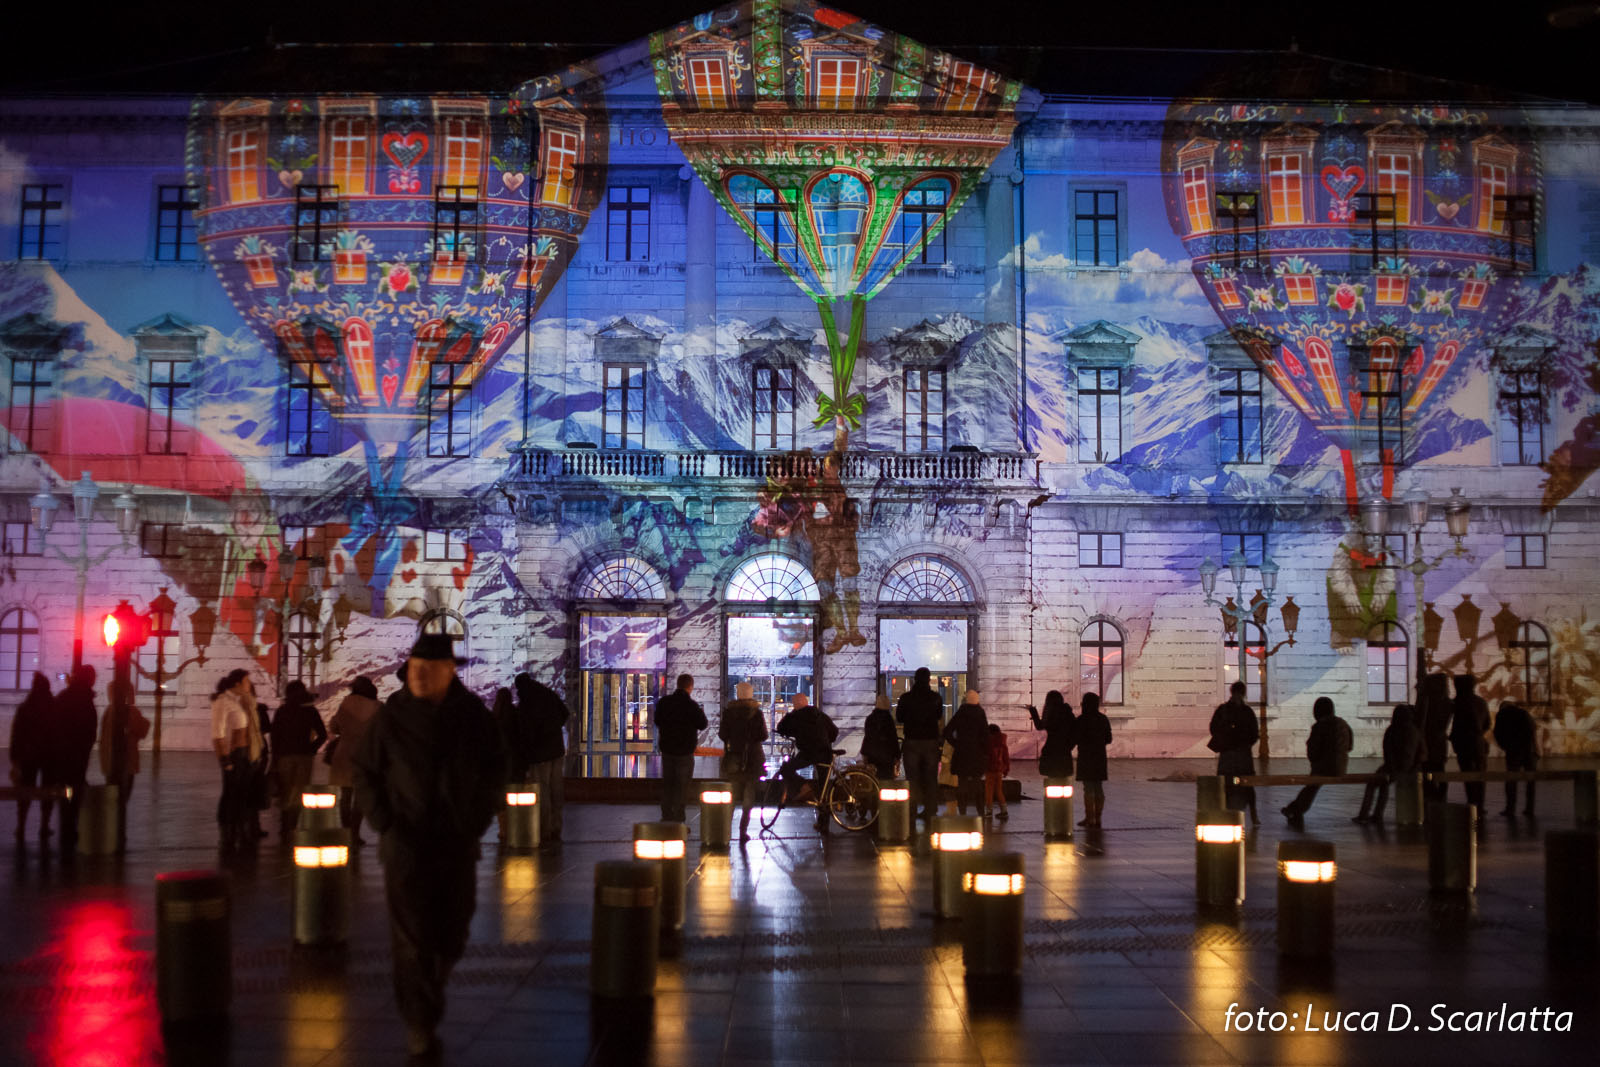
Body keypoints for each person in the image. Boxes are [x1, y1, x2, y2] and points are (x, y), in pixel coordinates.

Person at [352, 633, 506, 1060]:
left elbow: (496, 768)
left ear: (448, 671)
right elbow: (365, 771)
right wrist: (384, 822)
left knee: (453, 931)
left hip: (456, 844)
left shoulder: (472, 715)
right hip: (405, 845)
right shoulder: (392, 716)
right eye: (412, 666)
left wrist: (477, 818)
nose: (415, 675)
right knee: (412, 938)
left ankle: (429, 987)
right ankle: (419, 1021)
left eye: (426, 668)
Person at [49, 665, 99, 855]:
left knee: (66, 791)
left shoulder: (63, 698)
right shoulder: (86, 701)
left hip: (62, 756)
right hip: (77, 757)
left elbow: (53, 725)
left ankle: (66, 827)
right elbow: (89, 732)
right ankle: (71, 828)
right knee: (74, 791)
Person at [515, 672, 570, 843]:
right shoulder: (548, 694)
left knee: (543, 789)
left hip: (540, 753)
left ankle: (544, 829)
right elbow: (565, 713)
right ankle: (556, 826)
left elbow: (526, 731)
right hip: (556, 749)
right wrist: (554, 729)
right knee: (556, 788)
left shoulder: (527, 701)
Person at [270, 680, 328, 838]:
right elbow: (322, 735)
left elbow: (275, 737)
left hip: (284, 756)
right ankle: (293, 825)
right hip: (304, 757)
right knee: (299, 791)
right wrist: (312, 749)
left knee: (285, 790)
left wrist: (275, 757)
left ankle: (284, 825)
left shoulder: (282, 711)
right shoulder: (310, 711)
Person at [210, 670, 259, 853]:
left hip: (243, 754)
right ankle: (227, 835)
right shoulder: (222, 702)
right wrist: (225, 760)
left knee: (240, 794)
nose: (249, 685)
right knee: (230, 794)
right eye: (246, 681)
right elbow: (218, 733)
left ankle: (239, 832)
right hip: (234, 755)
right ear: (237, 683)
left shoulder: (235, 701)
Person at [1282, 697, 1353, 823]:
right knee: (1312, 786)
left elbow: (1313, 751)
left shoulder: (1320, 726)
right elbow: (1350, 746)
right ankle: (1294, 808)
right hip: (1341, 767)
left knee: (1311, 786)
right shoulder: (1343, 724)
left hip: (1324, 767)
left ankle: (1295, 809)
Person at [98, 677, 149, 850]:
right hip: (127, 762)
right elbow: (142, 729)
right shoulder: (130, 711)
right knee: (122, 798)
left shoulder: (109, 711)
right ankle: (117, 831)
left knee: (113, 796)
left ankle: (110, 829)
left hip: (110, 762)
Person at [328, 676, 380, 845]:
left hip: (344, 753)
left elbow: (334, 727)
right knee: (360, 797)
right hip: (366, 755)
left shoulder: (345, 704)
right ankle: (355, 834)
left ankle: (345, 831)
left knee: (345, 795)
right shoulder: (378, 707)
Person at [776, 693, 838, 833]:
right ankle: (823, 824)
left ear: (795, 705)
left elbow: (781, 728)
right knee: (824, 790)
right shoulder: (819, 714)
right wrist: (825, 740)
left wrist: (791, 714)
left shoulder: (796, 716)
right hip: (825, 753)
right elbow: (834, 731)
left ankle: (804, 786)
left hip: (809, 753)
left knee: (786, 769)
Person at [1354, 703, 1423, 824]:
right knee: (1383, 784)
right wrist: (1414, 767)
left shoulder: (1392, 730)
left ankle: (1366, 814)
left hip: (1394, 767)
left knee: (1373, 784)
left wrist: (1392, 768)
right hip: (1410, 768)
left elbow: (1388, 751)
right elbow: (1422, 752)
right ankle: (1376, 815)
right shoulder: (1415, 731)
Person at [718, 681, 768, 842]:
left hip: (734, 757)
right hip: (753, 758)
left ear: (737, 694)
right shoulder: (756, 713)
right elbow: (763, 736)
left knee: (731, 796)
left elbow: (722, 734)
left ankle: (724, 831)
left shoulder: (728, 713)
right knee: (749, 796)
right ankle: (742, 832)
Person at [10, 672, 55, 843]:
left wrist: (15, 757)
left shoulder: (25, 707)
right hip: (48, 756)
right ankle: (44, 825)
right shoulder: (52, 706)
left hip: (28, 756)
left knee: (25, 790)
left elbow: (17, 734)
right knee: (47, 790)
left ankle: (21, 825)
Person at [654, 674, 706, 823]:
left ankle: (666, 815)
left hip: (668, 749)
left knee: (668, 783)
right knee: (682, 785)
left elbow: (657, 720)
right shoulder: (692, 705)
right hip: (685, 752)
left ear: (677, 685)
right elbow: (702, 724)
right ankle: (678, 817)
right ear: (690, 687)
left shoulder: (665, 703)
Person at [896, 668, 945, 825]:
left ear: (915, 679)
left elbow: (900, 717)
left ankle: (912, 809)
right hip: (930, 741)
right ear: (928, 679)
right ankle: (931, 809)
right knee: (931, 778)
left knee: (912, 779)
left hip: (912, 742)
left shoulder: (906, 698)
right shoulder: (936, 698)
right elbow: (938, 716)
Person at [1207, 681, 1260, 824]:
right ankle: (1254, 815)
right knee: (1247, 784)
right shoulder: (1247, 711)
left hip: (1227, 754)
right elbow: (1254, 733)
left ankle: (1224, 813)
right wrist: (1245, 743)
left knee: (1225, 784)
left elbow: (1213, 728)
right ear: (1243, 693)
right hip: (1243, 754)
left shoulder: (1223, 710)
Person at [942, 690, 989, 816]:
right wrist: (985, 752)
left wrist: (956, 743)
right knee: (978, 784)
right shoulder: (980, 713)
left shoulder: (961, 713)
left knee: (962, 784)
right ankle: (980, 812)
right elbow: (985, 735)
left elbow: (947, 731)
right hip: (977, 754)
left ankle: (962, 811)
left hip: (962, 754)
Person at [1449, 674, 1492, 813]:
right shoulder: (1481, 702)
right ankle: (1480, 804)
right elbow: (1487, 724)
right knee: (1480, 775)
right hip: (1479, 743)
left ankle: (1472, 802)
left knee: (1467, 774)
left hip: (1464, 743)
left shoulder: (1458, 702)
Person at [1493, 700, 1538, 816]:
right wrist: (1536, 749)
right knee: (1530, 781)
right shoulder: (1524, 713)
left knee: (1511, 779)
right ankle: (1530, 808)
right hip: (1529, 750)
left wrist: (1506, 746)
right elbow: (1533, 730)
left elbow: (1497, 733)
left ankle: (1510, 808)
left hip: (1513, 751)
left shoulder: (1502, 715)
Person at [1075, 693, 1112, 828]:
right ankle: (1097, 818)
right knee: (1098, 787)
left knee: (1088, 788)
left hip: (1085, 757)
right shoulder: (1103, 719)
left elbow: (1075, 738)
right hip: (1099, 757)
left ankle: (1089, 817)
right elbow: (1109, 739)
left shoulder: (1081, 720)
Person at [1417, 673, 1452, 802]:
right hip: (1439, 740)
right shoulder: (1448, 702)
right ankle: (1440, 797)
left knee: (1429, 769)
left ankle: (1432, 796)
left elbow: (1421, 721)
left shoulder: (1428, 701)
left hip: (1429, 739)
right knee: (1439, 769)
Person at [1028, 690, 1076, 783]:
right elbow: (1074, 731)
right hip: (1064, 751)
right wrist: (1069, 746)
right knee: (1064, 779)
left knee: (1052, 778)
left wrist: (1033, 711)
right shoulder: (1068, 713)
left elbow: (1040, 726)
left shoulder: (1050, 713)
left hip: (1051, 750)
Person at [859, 693, 900, 780]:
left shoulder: (870, 718)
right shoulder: (889, 720)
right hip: (887, 756)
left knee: (873, 778)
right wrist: (897, 755)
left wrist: (864, 753)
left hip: (872, 755)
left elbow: (868, 737)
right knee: (886, 780)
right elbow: (893, 738)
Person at [985, 722, 1011, 821]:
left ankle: (988, 811)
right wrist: (1006, 769)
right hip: (999, 770)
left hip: (990, 769)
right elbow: (1006, 757)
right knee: (999, 790)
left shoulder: (989, 742)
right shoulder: (1002, 742)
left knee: (989, 790)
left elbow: (987, 757)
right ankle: (1004, 811)